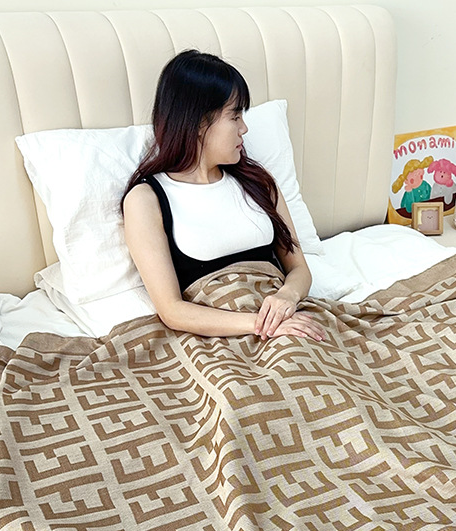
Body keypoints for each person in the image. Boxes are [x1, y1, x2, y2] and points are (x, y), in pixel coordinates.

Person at [122, 50, 325, 342]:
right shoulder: (146, 200)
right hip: (223, 337)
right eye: (235, 116)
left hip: (288, 321)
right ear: (199, 123)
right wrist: (261, 325)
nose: (244, 128)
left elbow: (299, 268)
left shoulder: (260, 184)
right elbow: (172, 310)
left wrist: (287, 296)